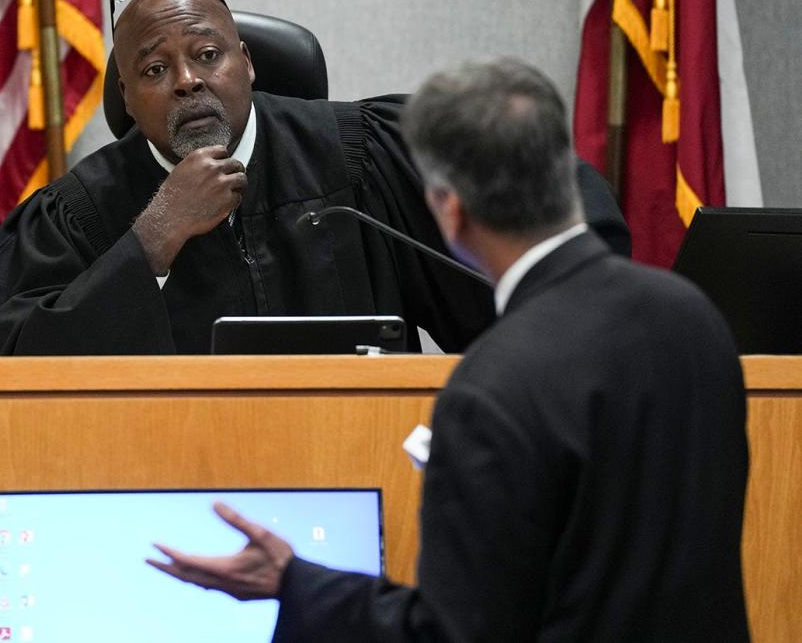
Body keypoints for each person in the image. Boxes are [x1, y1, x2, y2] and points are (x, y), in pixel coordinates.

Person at [147, 58, 750, 641]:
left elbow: (456, 633)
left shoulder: (494, 387)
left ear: (450, 212)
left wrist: (294, 584)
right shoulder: (694, 317)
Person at [0, 0, 629, 355]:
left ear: (248, 64)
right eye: (155, 69)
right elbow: (7, 360)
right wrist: (155, 236)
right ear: (127, 100)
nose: (188, 82)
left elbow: (547, 197)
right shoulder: (83, 213)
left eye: (207, 55)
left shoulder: (361, 156)